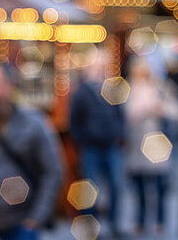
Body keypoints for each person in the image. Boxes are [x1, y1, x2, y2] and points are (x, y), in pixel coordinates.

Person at [0, 57, 62, 240]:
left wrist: (34, 221)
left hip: (20, 225)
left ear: (9, 86)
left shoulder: (33, 124)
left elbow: (52, 172)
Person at [124, 55, 178, 237]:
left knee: (159, 187)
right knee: (139, 188)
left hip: (158, 146)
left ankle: (160, 221)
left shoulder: (163, 88)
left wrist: (161, 109)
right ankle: (140, 221)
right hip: (135, 145)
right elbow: (124, 115)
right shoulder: (128, 89)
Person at [70, 51, 125, 237]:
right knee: (89, 189)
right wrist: (82, 140)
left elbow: (119, 114)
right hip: (91, 147)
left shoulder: (111, 88)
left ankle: (114, 224)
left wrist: (119, 135)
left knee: (116, 186)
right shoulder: (82, 92)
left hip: (111, 146)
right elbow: (74, 121)